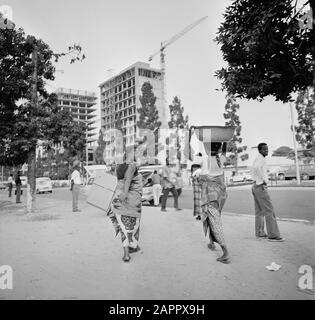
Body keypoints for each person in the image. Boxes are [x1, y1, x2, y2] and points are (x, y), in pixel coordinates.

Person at [192, 142, 231, 264]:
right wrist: (225, 141)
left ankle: (226, 253)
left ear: (208, 149)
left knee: (215, 222)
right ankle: (211, 242)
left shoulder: (206, 160)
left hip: (210, 196)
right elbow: (224, 152)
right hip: (220, 196)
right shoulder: (221, 159)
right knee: (210, 218)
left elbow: (201, 176)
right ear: (219, 149)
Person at [106, 162, 143, 262]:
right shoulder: (132, 166)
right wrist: (125, 193)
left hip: (122, 204)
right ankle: (127, 254)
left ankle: (132, 248)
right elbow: (128, 180)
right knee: (132, 226)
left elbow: (123, 182)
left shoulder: (122, 170)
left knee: (124, 227)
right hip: (131, 203)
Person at [251, 143, 285, 242]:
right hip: (260, 186)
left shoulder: (257, 158)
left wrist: (257, 180)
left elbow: (254, 170)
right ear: (260, 150)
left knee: (259, 211)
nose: (267, 151)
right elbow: (258, 169)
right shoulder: (261, 159)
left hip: (255, 186)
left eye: (267, 149)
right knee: (269, 210)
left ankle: (260, 233)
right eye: (264, 150)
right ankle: (273, 235)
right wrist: (264, 180)